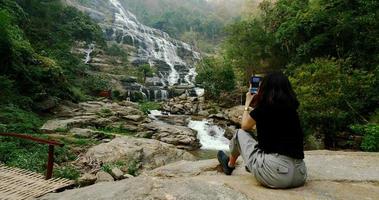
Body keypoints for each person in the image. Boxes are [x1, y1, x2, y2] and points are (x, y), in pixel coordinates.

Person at [217, 71, 307, 189]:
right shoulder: (292, 110)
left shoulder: (264, 108)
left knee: (240, 133)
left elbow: (244, 126)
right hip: (300, 174)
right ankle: (251, 166)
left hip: (276, 174)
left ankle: (230, 164)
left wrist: (247, 104)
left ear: (265, 88)